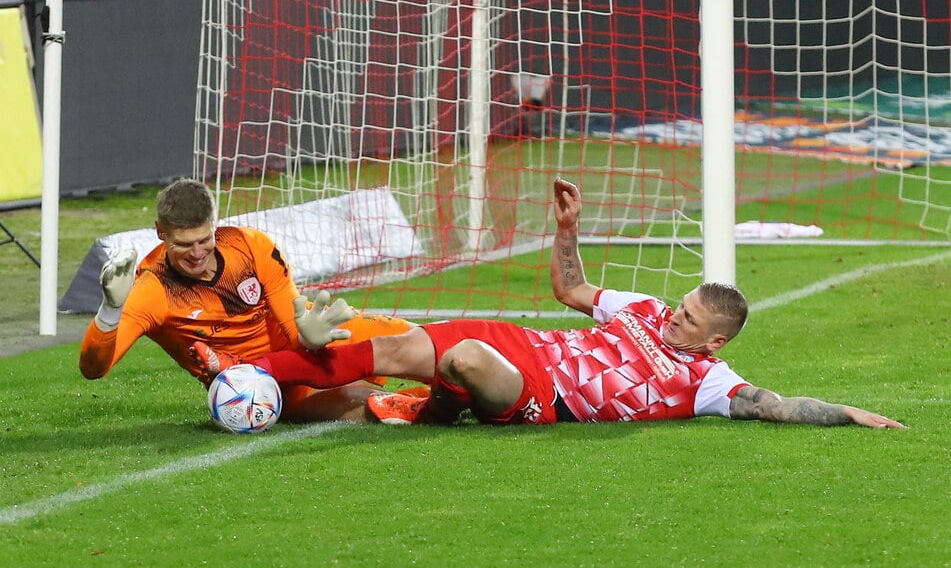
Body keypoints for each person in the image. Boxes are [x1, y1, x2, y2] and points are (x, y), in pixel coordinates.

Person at [192, 177, 906, 430]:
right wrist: (566, 233)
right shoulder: (641, 307)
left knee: (466, 359)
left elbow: (776, 406)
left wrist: (847, 413)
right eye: (681, 304)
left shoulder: (710, 384)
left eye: (688, 319)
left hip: (541, 393)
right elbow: (568, 290)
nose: (674, 316)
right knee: (395, 348)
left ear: (715, 343)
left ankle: (428, 404)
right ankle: (243, 376)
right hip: (532, 346)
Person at [79, 178, 415, 423]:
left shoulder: (251, 247)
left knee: (427, 342)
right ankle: (445, 403)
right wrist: (110, 310)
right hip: (267, 386)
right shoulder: (152, 290)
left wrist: (307, 335)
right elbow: (93, 370)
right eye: (184, 244)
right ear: (160, 232)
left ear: (215, 225)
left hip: (310, 342)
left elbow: (291, 320)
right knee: (381, 407)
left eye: (204, 239)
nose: (196, 254)